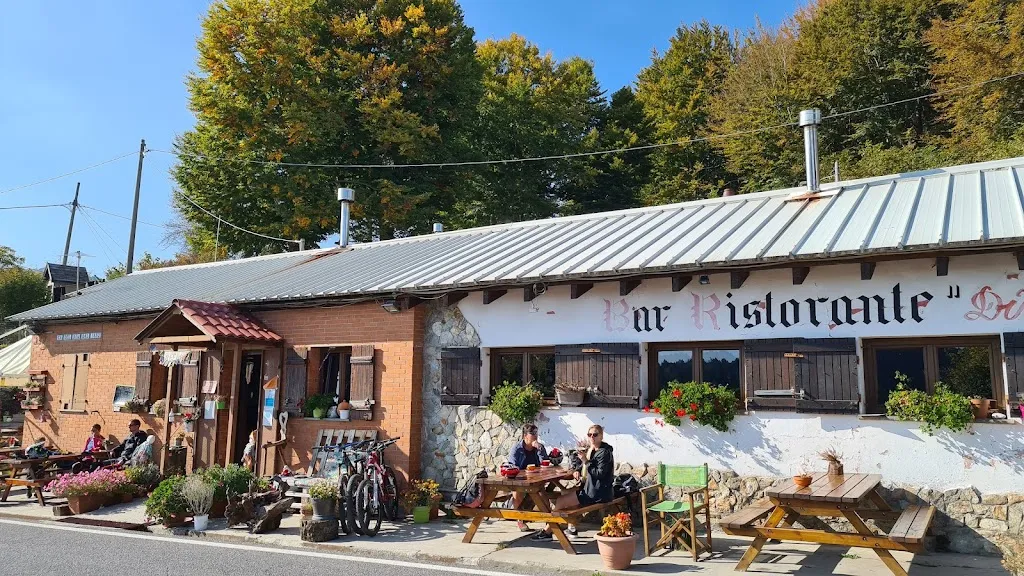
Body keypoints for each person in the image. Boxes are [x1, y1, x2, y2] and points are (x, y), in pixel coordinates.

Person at [532, 424, 614, 541]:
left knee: (561, 501)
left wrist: (586, 461)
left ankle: (548, 531)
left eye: (595, 435)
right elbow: (585, 466)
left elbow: (599, 474)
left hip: (597, 494)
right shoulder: (593, 450)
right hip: (590, 489)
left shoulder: (604, 453)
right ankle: (571, 528)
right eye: (589, 435)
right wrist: (577, 470)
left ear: (601, 436)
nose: (592, 437)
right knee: (565, 493)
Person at [508, 423, 547, 531]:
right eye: (532, 433)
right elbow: (512, 466)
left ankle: (551, 523)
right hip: (519, 480)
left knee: (541, 494)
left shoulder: (539, 447)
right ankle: (520, 519)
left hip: (536, 479)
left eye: (536, 433)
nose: (535, 436)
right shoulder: (517, 449)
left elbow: (545, 463)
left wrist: (540, 450)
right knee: (518, 494)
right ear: (525, 436)